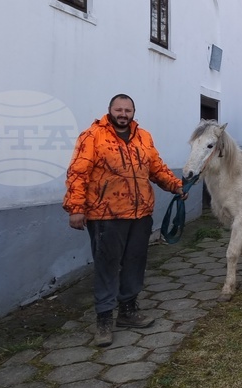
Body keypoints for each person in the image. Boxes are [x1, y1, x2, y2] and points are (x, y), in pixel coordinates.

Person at [63, 94, 185, 347]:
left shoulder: (144, 137)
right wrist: (76, 207)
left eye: (127, 110)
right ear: (109, 111)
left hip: (140, 215)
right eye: (118, 109)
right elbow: (77, 173)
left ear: (133, 112)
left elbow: (156, 169)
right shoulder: (93, 136)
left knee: (134, 263)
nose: (123, 113)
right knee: (107, 266)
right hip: (106, 215)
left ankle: (128, 310)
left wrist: (176, 186)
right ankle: (104, 319)